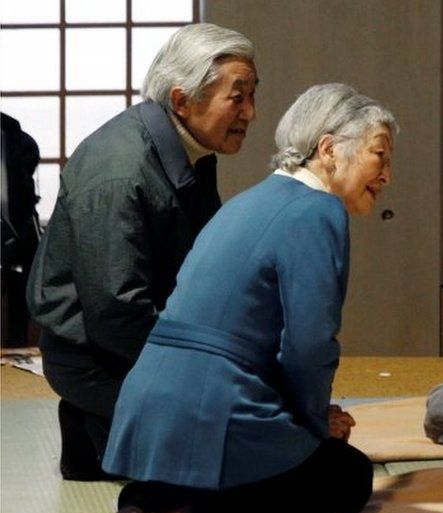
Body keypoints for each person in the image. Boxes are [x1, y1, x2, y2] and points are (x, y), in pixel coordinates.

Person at [100, 83, 397, 513]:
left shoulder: (249, 201)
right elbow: (307, 346)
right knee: (350, 478)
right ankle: (199, 510)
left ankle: (161, 493)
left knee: (309, 451)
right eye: (380, 154)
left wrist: (307, 416)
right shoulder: (318, 212)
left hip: (151, 411)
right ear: (329, 149)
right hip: (215, 406)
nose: (387, 175)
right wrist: (316, 422)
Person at [25, 23, 257, 481]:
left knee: (255, 409)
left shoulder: (189, 150)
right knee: (238, 439)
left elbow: (206, 265)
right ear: (182, 100)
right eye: (237, 96)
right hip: (97, 357)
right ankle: (99, 424)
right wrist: (205, 370)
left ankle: (100, 430)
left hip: (140, 342)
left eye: (253, 94)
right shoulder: (120, 170)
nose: (251, 112)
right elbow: (116, 312)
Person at [1, 113, 41, 347]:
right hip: (15, 226)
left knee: (21, 294)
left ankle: (18, 347)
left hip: (17, 229)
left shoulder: (15, 137)